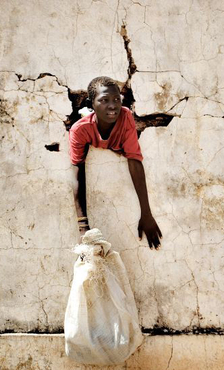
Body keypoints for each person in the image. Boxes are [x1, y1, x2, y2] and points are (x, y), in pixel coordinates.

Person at [69, 76, 162, 249]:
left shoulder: (125, 117)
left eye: (116, 99)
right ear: (91, 104)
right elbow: (77, 173)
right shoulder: (80, 130)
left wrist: (146, 214)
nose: (112, 106)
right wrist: (83, 228)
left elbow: (134, 160)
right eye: (104, 100)